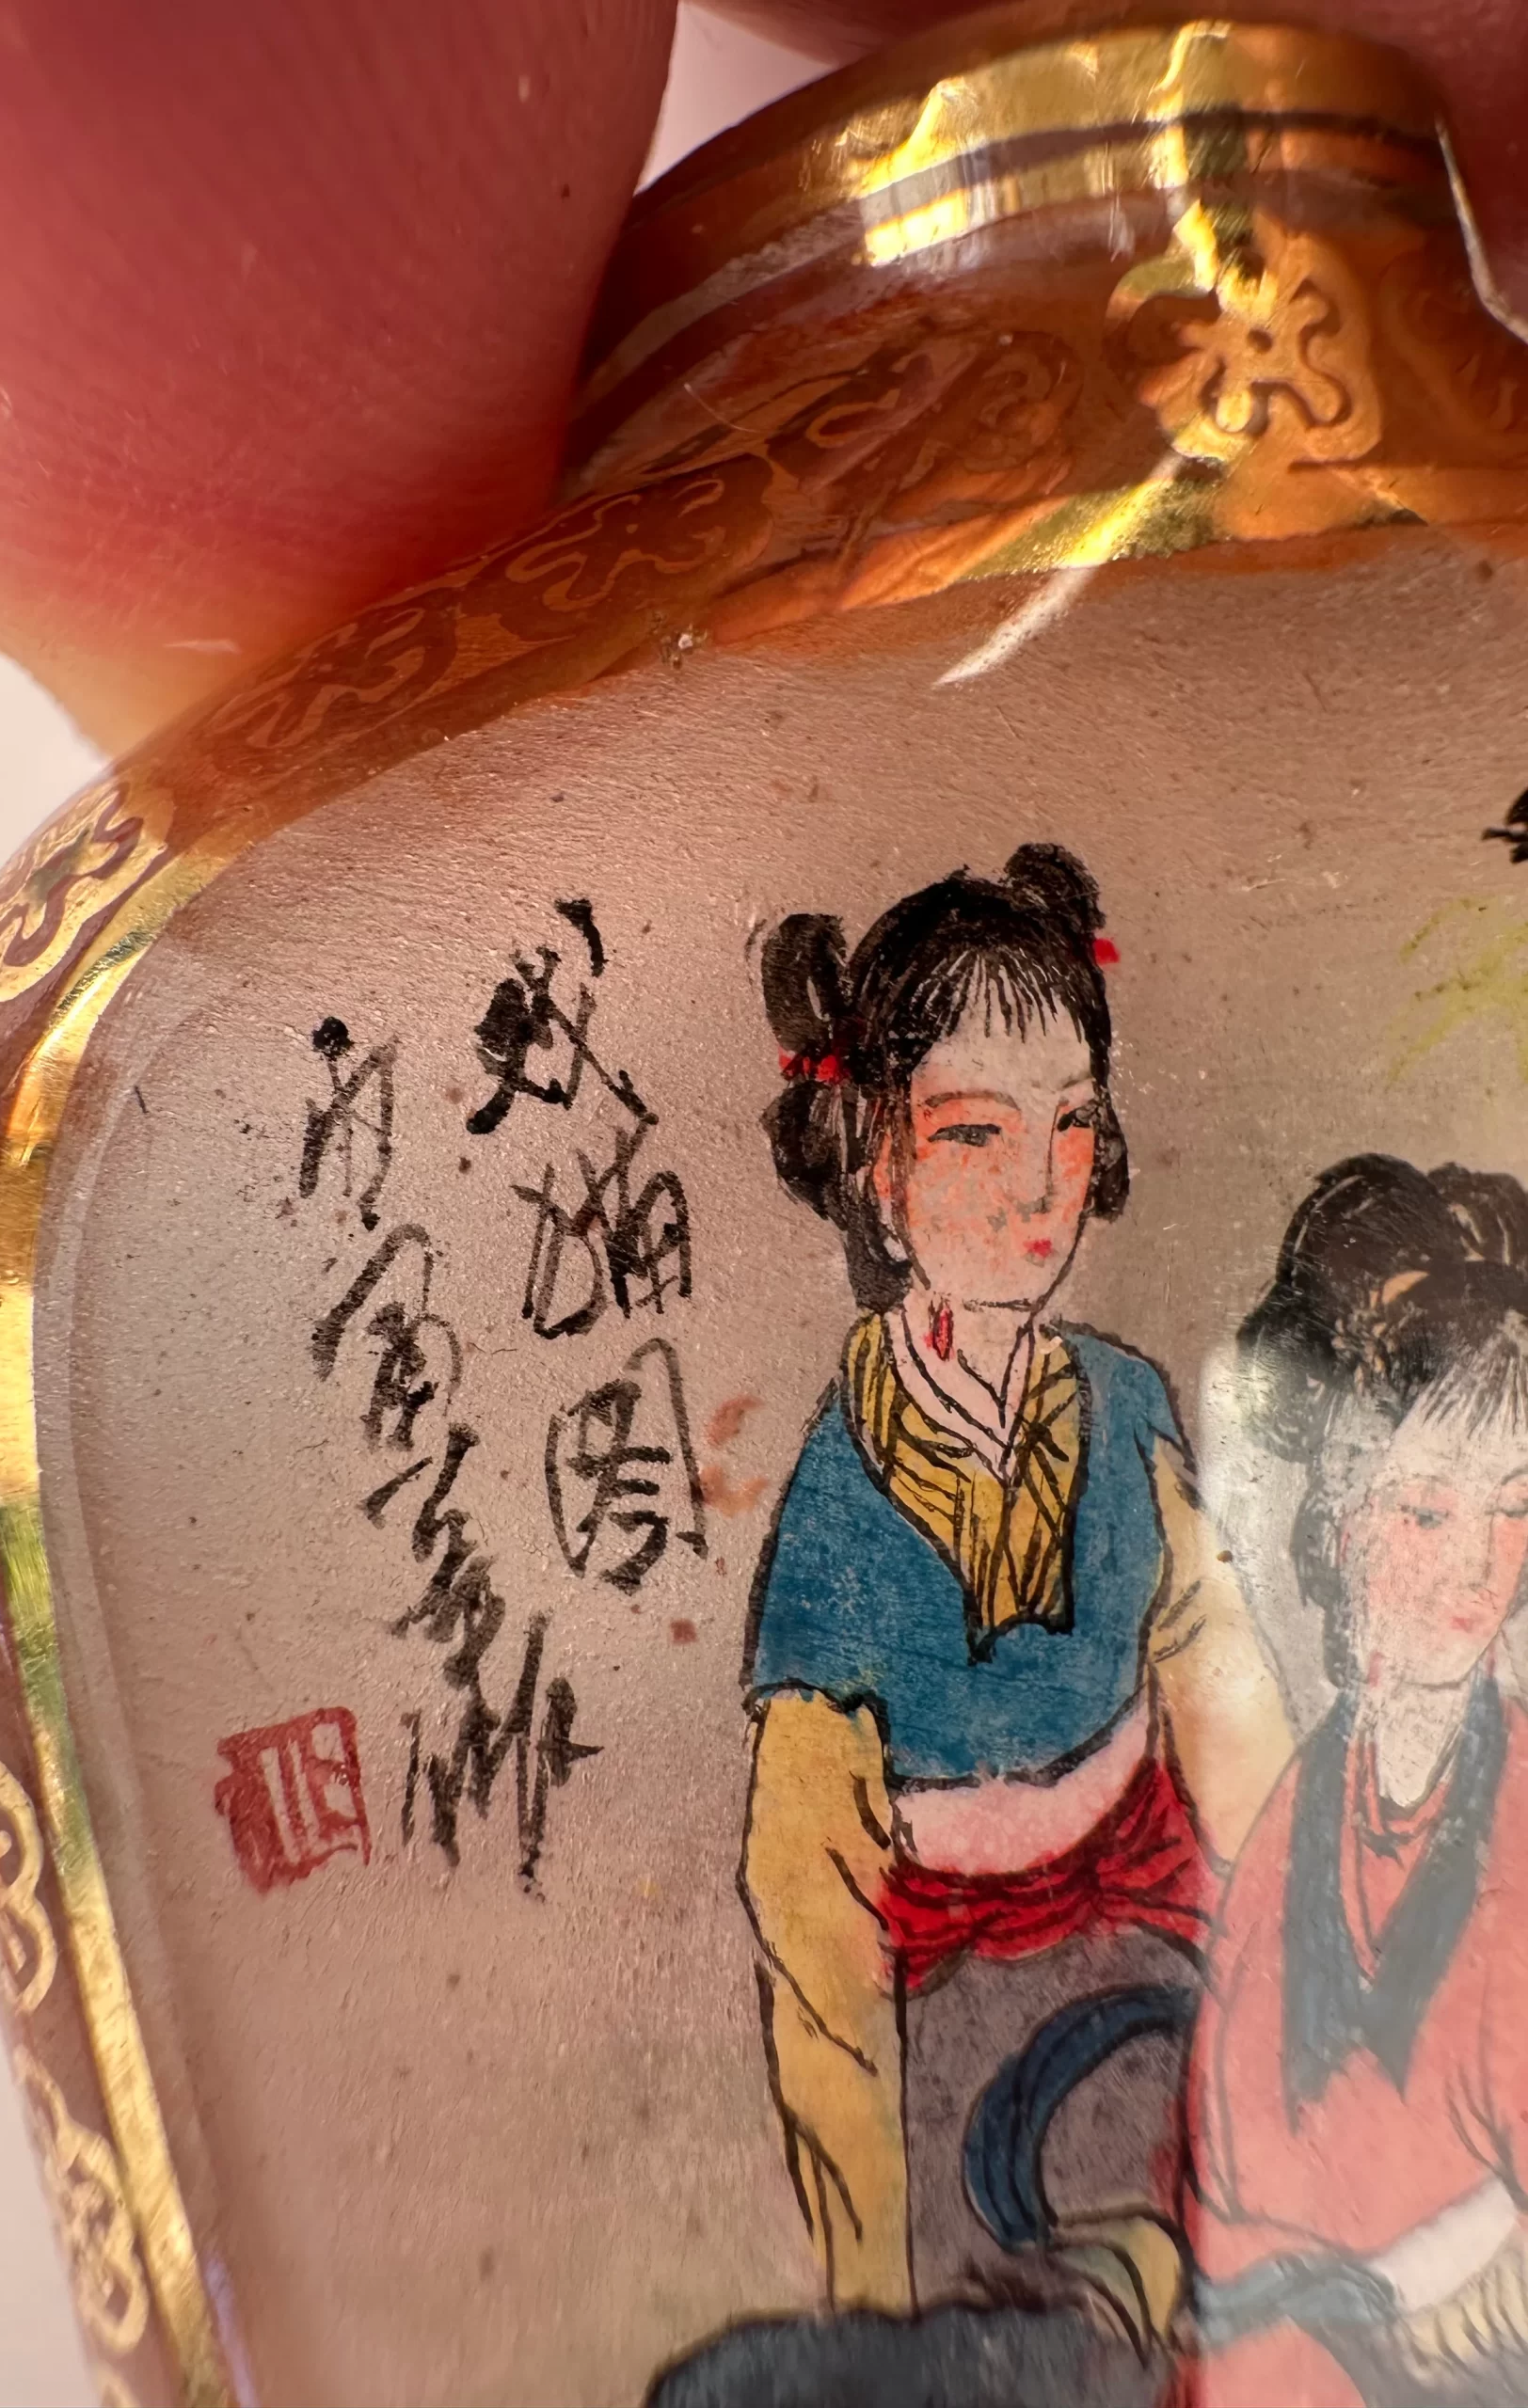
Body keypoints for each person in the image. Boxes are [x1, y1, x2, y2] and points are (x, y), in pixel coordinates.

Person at [740, 844, 1292, 2311]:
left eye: (1070, 1121)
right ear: (880, 1160)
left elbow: (1221, 1688)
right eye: (977, 1133)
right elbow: (810, 1901)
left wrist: (1281, 1947)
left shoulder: (1126, 1406)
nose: (1039, 1183)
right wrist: (867, 2267)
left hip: (1156, 1924)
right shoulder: (841, 1505)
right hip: (943, 1994)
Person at [1184, 1155, 1528, 2408]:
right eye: (1428, 1512)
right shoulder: (1309, 1805)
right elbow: (1228, 2166)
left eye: (1514, 1508)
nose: (1477, 1565)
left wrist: (1375, 2316)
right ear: (1341, 1521)